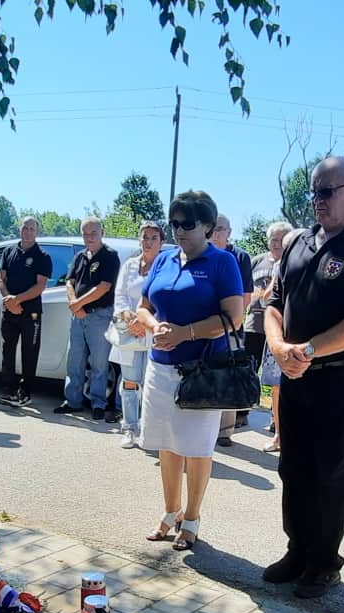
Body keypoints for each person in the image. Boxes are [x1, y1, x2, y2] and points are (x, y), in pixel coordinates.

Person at [263, 157, 344, 599]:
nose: (318, 200)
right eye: (314, 192)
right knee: (293, 468)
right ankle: (297, 551)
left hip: (337, 378)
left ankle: (324, 563)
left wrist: (308, 350)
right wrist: (279, 347)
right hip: (294, 375)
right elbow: (274, 304)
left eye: (327, 191)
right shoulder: (298, 243)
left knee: (330, 473)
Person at [137, 192, 246, 551]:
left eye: (188, 223)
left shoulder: (222, 262)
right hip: (160, 367)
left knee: (196, 447)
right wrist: (154, 326)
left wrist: (185, 333)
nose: (179, 230)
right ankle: (171, 512)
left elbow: (234, 317)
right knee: (167, 443)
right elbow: (143, 306)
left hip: (201, 372)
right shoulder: (164, 258)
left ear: (208, 226)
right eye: (175, 223)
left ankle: (192, 519)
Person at [59, 216, 121, 419]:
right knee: (75, 360)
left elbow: (104, 287)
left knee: (99, 363)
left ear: (102, 232)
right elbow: (69, 281)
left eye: (93, 233)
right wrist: (74, 303)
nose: (89, 237)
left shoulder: (110, 256)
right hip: (78, 316)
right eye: (85, 233)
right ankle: (72, 401)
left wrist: (79, 304)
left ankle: (98, 404)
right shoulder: (79, 256)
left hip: (99, 316)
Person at [112, 221, 164, 448]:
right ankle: (129, 427)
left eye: (154, 238)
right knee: (130, 382)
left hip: (152, 331)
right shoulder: (130, 265)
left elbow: (165, 298)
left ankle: (148, 430)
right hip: (130, 331)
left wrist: (146, 322)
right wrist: (128, 317)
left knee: (150, 383)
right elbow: (120, 295)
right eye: (145, 237)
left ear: (161, 242)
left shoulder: (165, 266)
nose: (148, 242)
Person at [0, 216, 53, 408]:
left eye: (31, 229)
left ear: (37, 232)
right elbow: (0, 278)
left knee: (29, 353)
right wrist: (8, 299)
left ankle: (25, 392)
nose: (27, 232)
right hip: (9, 311)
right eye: (24, 228)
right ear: (19, 229)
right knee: (8, 351)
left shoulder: (42, 256)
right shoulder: (8, 251)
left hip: (31, 313)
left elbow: (40, 286)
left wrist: (17, 300)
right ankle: (8, 390)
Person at [210, 214, 256, 444]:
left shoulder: (240, 257)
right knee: (206, 376)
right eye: (213, 228)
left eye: (221, 229)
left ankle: (225, 431)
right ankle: (204, 429)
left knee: (228, 376)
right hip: (203, 327)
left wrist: (229, 319)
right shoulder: (202, 254)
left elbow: (246, 296)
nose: (216, 234)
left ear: (229, 232)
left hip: (231, 328)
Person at [248, 221, 292, 451]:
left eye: (283, 240)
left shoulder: (307, 262)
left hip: (301, 335)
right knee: (277, 386)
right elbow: (267, 299)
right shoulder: (275, 266)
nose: (278, 244)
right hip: (277, 333)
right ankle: (279, 437)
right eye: (274, 239)